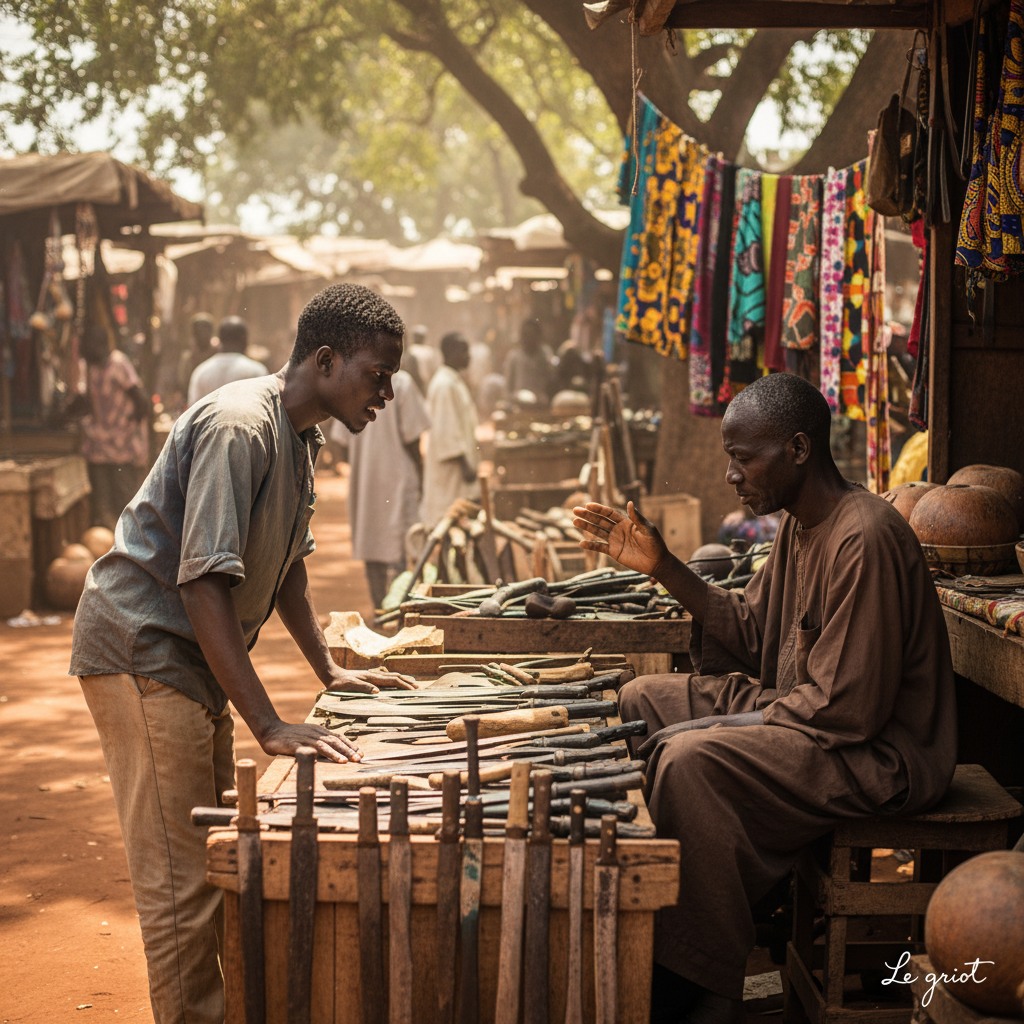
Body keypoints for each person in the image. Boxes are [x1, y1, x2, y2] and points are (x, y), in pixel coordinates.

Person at [70, 283, 416, 1024]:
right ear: (325, 360)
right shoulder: (240, 425)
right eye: (377, 374)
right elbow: (201, 582)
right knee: (183, 894)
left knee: (220, 863)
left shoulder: (301, 435)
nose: (387, 392)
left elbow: (286, 564)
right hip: (144, 650)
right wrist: (268, 725)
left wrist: (331, 670)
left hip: (190, 660)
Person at [573, 371, 956, 1024]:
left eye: (742, 457)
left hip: (876, 755)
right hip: (808, 715)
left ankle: (702, 981)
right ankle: (652, 915)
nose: (732, 475)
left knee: (692, 765)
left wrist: (723, 728)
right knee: (640, 703)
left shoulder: (863, 536)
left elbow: (847, 710)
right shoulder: (802, 528)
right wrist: (664, 567)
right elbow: (751, 635)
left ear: (800, 450)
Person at [332, 351, 430, 609]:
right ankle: (397, 607)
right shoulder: (402, 383)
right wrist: (421, 475)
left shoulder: (349, 383)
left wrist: (364, 460)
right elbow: (412, 438)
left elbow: (340, 442)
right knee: (398, 543)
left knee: (371, 538)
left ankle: (379, 605)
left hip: (366, 481)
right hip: (398, 475)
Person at [76, 325, 151, 528]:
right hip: (99, 444)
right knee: (102, 499)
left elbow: (142, 401)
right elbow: (86, 400)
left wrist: (128, 429)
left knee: (124, 496)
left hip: (122, 445)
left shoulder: (118, 363)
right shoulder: (90, 367)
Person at [420, 331, 480, 528]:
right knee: (448, 522)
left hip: (457, 471)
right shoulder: (445, 385)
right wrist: (466, 465)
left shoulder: (453, 381)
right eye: (464, 351)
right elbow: (447, 431)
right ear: (451, 352)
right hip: (452, 472)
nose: (469, 356)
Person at [186, 315, 268, 405]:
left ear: (219, 339)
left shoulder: (201, 372)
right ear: (244, 339)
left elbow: (193, 410)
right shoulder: (257, 372)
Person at [503, 317, 554, 404]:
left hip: (541, 404)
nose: (529, 339)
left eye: (532, 335)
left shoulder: (545, 354)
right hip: (519, 403)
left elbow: (551, 380)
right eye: (526, 335)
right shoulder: (514, 357)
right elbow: (508, 387)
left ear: (538, 337)